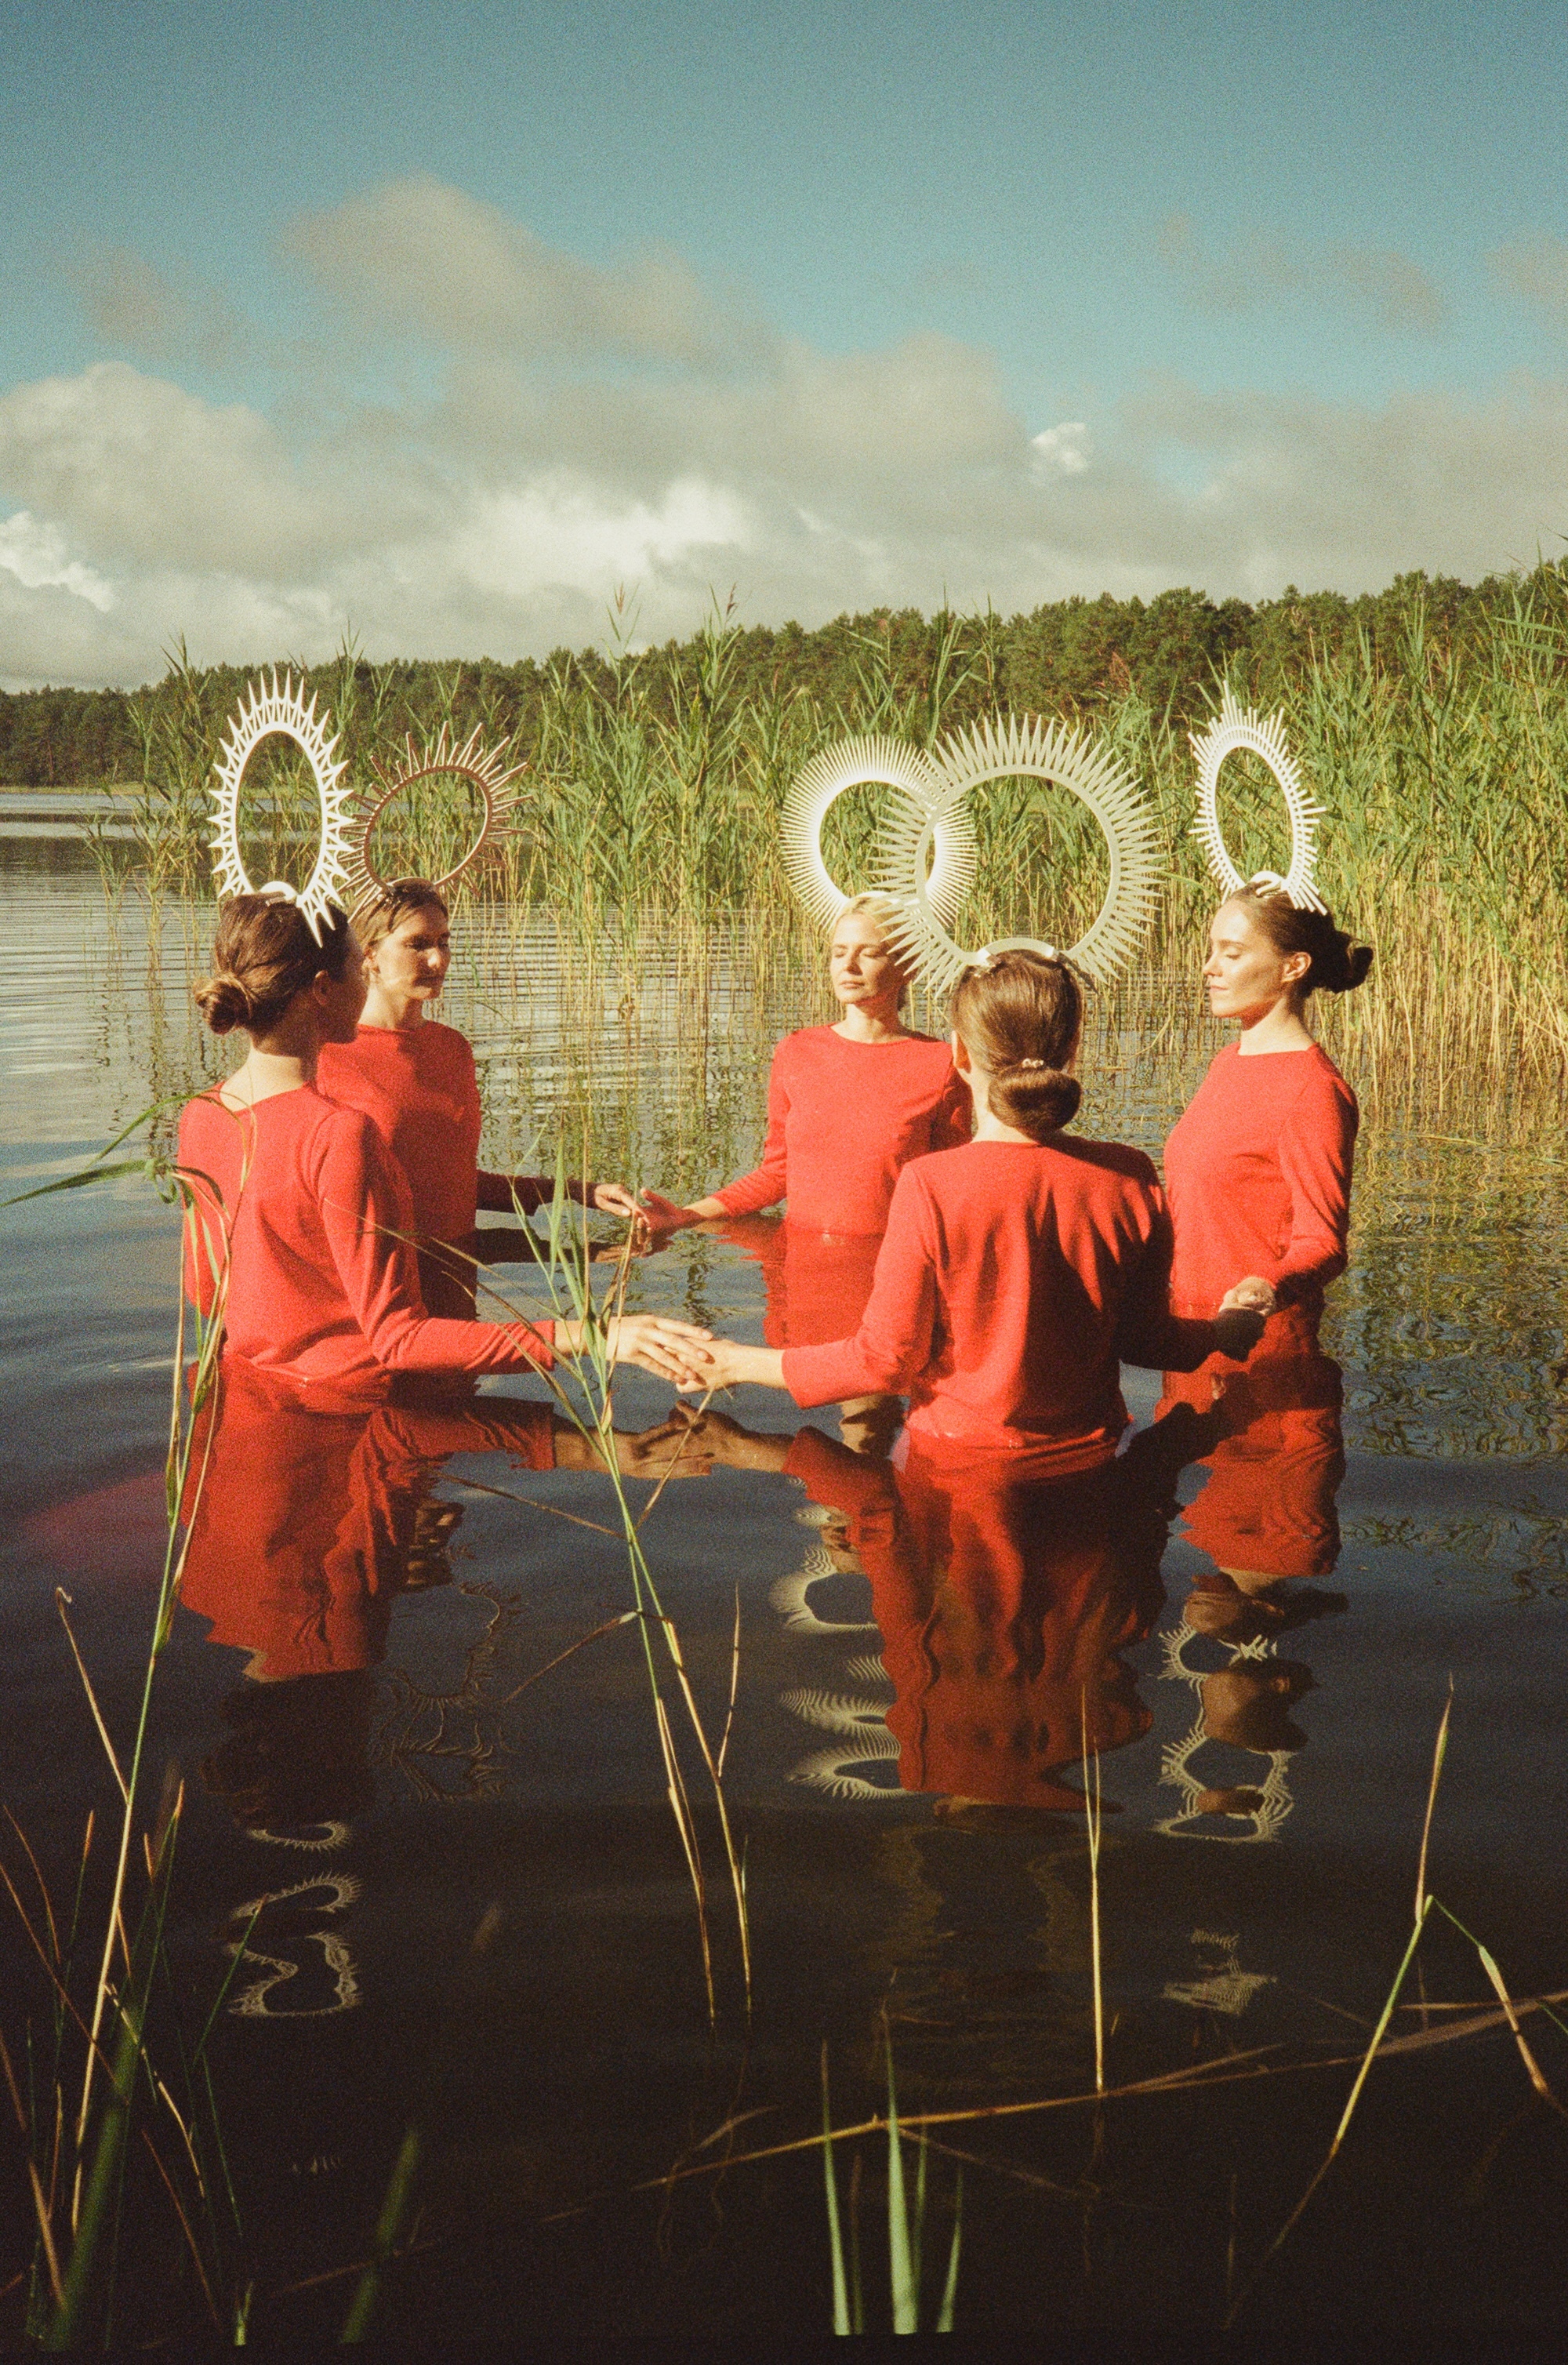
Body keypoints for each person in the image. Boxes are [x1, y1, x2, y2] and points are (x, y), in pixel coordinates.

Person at [683, 949, 1262, 1464]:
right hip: (1091, 1454)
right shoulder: (1129, 1175)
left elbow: (884, 1362)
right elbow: (1148, 1342)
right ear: (1073, 1048)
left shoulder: (931, 1184)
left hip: (957, 1465)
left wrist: (733, 1362)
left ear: (958, 1052)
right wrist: (1222, 1332)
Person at [178, 894, 710, 1393]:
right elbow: (400, 1340)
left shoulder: (200, 1115)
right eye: (356, 968)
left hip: (253, 1391)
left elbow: (205, 1291)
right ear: (324, 989)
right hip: (361, 1401)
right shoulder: (337, 1130)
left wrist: (569, 1193)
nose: (368, 981)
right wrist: (596, 1335)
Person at [317, 880, 643, 1316]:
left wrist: (576, 1192)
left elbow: (452, 1182)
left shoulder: (452, 1048)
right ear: (369, 954)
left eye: (444, 942)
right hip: (375, 1289)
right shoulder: (328, 1055)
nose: (438, 959)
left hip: (457, 1275)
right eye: (417, 944)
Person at [641, 894, 972, 1237]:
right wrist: (684, 1216)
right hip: (798, 1265)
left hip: (891, 1266)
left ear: (909, 968)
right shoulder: (796, 1051)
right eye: (839, 952)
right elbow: (777, 1172)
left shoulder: (943, 1063)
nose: (849, 965)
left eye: (870, 953)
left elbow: (953, 1189)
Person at [1163, 885, 1373, 1342]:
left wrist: (1266, 1287)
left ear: (1292, 966)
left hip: (1264, 1344)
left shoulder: (1314, 1091)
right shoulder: (1227, 1062)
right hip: (1193, 1333)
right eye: (1211, 949)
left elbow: (1323, 1243)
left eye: (1232, 954)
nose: (1209, 968)